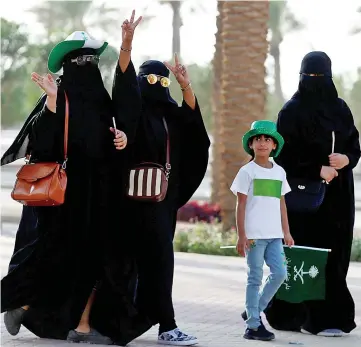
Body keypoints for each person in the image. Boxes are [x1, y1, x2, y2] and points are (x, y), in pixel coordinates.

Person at [0, 31, 142, 345]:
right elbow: (41, 142)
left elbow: (119, 116)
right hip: (65, 197)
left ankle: (83, 325)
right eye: (81, 59)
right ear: (68, 63)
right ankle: (20, 301)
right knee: (56, 256)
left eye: (93, 59)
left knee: (98, 260)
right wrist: (51, 103)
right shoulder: (58, 92)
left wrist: (122, 138)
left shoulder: (100, 96)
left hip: (100, 194)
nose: (88, 63)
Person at [111, 10, 210, 346]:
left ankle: (160, 325)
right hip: (130, 204)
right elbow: (123, 88)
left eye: (161, 81)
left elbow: (197, 132)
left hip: (161, 204)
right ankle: (150, 326)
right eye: (149, 80)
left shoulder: (171, 114)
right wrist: (127, 45)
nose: (156, 85)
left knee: (158, 264)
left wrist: (184, 84)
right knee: (136, 264)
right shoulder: (134, 110)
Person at [264, 51, 360, 336]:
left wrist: (346, 159)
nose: (315, 82)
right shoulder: (291, 111)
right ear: (302, 77)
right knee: (305, 256)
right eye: (311, 77)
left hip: (339, 197)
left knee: (336, 255)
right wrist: (316, 169)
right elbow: (281, 155)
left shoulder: (340, 108)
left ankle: (331, 318)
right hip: (304, 199)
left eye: (321, 77)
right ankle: (293, 315)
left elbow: (354, 144)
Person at [230, 120, 294, 341]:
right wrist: (241, 235)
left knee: (280, 273)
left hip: (275, 235)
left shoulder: (280, 172)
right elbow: (241, 205)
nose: (263, 143)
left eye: (268, 139)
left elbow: (281, 203)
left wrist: (287, 232)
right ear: (251, 144)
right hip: (254, 237)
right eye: (258, 139)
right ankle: (253, 325)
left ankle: (253, 309)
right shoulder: (246, 172)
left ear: (274, 145)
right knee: (255, 278)